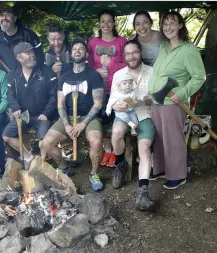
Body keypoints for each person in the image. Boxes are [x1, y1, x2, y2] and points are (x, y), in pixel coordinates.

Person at [148, 11, 206, 189]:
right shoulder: (164, 47)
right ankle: (160, 168)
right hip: (156, 101)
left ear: (180, 25)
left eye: (172, 23)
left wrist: (181, 93)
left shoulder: (188, 50)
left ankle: (178, 175)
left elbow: (199, 77)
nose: (168, 27)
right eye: (165, 24)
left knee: (173, 138)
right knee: (158, 137)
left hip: (173, 103)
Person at [41, 38, 105, 191]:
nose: (77, 51)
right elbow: (60, 104)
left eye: (81, 49)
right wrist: (67, 125)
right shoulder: (64, 77)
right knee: (46, 143)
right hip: (68, 117)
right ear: (70, 54)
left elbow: (98, 103)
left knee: (96, 142)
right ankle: (64, 167)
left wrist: (83, 123)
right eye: (74, 49)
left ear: (86, 54)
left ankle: (94, 173)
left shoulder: (94, 75)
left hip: (89, 117)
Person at [110, 40, 156, 211]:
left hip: (144, 114)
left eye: (134, 52)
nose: (131, 56)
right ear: (124, 55)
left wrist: (147, 99)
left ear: (140, 52)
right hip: (124, 114)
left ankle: (142, 193)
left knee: (144, 148)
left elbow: (158, 97)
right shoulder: (118, 74)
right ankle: (120, 165)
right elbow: (113, 100)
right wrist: (116, 106)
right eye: (128, 54)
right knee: (116, 132)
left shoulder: (152, 72)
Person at [2, 42, 58, 165]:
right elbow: (10, 94)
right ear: (19, 58)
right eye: (27, 53)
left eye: (32, 51)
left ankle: (42, 165)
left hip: (42, 116)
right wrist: (15, 107)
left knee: (43, 141)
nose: (32, 55)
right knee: (6, 135)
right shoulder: (13, 75)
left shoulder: (46, 71)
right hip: (24, 115)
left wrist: (47, 113)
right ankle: (29, 158)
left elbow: (55, 96)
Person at [88, 9, 127, 168]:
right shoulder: (92, 43)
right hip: (99, 89)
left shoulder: (121, 42)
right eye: (102, 21)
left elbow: (128, 64)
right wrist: (96, 71)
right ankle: (108, 150)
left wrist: (112, 64)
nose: (106, 24)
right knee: (102, 120)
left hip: (118, 89)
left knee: (116, 121)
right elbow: (88, 65)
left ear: (114, 23)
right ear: (99, 23)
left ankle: (116, 152)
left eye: (109, 21)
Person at [0, 6, 44, 73]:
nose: (4, 18)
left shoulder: (28, 35)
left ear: (15, 18)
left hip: (28, 78)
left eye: (8, 15)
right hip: (8, 79)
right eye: (2, 15)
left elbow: (40, 57)